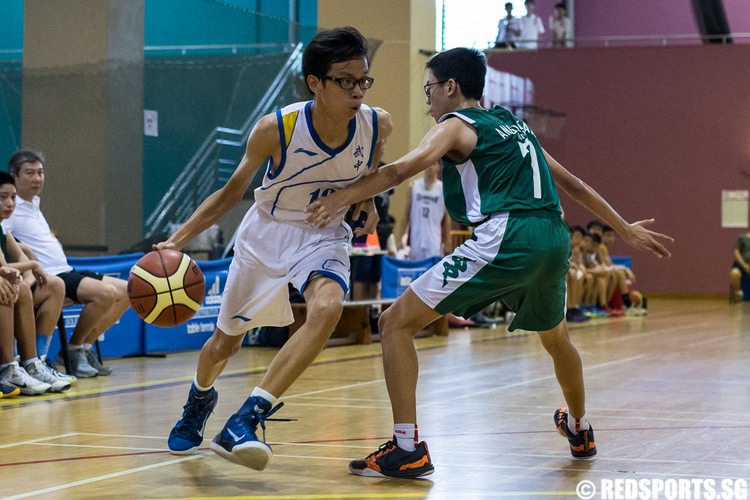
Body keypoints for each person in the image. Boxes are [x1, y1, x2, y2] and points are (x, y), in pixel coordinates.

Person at [306, 47, 673, 478]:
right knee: (557, 340)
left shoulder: (456, 125)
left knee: (393, 323)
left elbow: (402, 169)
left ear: (450, 87)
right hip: (552, 237)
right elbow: (572, 184)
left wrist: (342, 196)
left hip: (508, 237)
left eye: (428, 89)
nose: (427, 100)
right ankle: (579, 426)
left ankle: (407, 447)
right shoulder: (516, 126)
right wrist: (624, 227)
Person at [156, 27, 392, 471]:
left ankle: (249, 415)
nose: (358, 91)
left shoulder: (377, 123)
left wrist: (368, 200)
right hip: (266, 234)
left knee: (327, 307)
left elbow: (370, 169)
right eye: (345, 80)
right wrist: (176, 241)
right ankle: (199, 399)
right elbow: (229, 195)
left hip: (323, 234)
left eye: (363, 80)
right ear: (315, 83)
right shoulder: (277, 129)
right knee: (223, 347)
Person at [4, 150, 129, 378]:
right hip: (51, 276)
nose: (37, 178)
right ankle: (72, 350)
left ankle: (84, 348)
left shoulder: (34, 205)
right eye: (29, 173)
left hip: (67, 270)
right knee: (105, 294)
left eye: (40, 173)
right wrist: (28, 259)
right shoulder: (10, 209)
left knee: (129, 292)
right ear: (14, 176)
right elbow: (5, 241)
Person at [0, 172, 71, 394]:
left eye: (12, 197)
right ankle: (8, 367)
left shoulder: (3, 229)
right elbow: (3, 268)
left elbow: (20, 265)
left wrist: (28, 271)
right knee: (15, 287)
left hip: (11, 284)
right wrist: (31, 266)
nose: (10, 203)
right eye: (3, 197)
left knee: (54, 284)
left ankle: (34, 361)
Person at [398, 161, 450, 261]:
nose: (430, 167)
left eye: (434, 164)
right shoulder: (413, 186)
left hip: (434, 240)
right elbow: (406, 214)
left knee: (431, 272)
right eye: (428, 164)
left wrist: (448, 242)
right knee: (416, 272)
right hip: (416, 238)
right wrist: (399, 237)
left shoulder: (442, 188)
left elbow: (447, 218)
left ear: (438, 167)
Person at [730, 231, 750, 302]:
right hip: (741, 265)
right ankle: (739, 292)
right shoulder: (741, 238)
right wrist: (744, 265)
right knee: (734, 273)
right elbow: (736, 252)